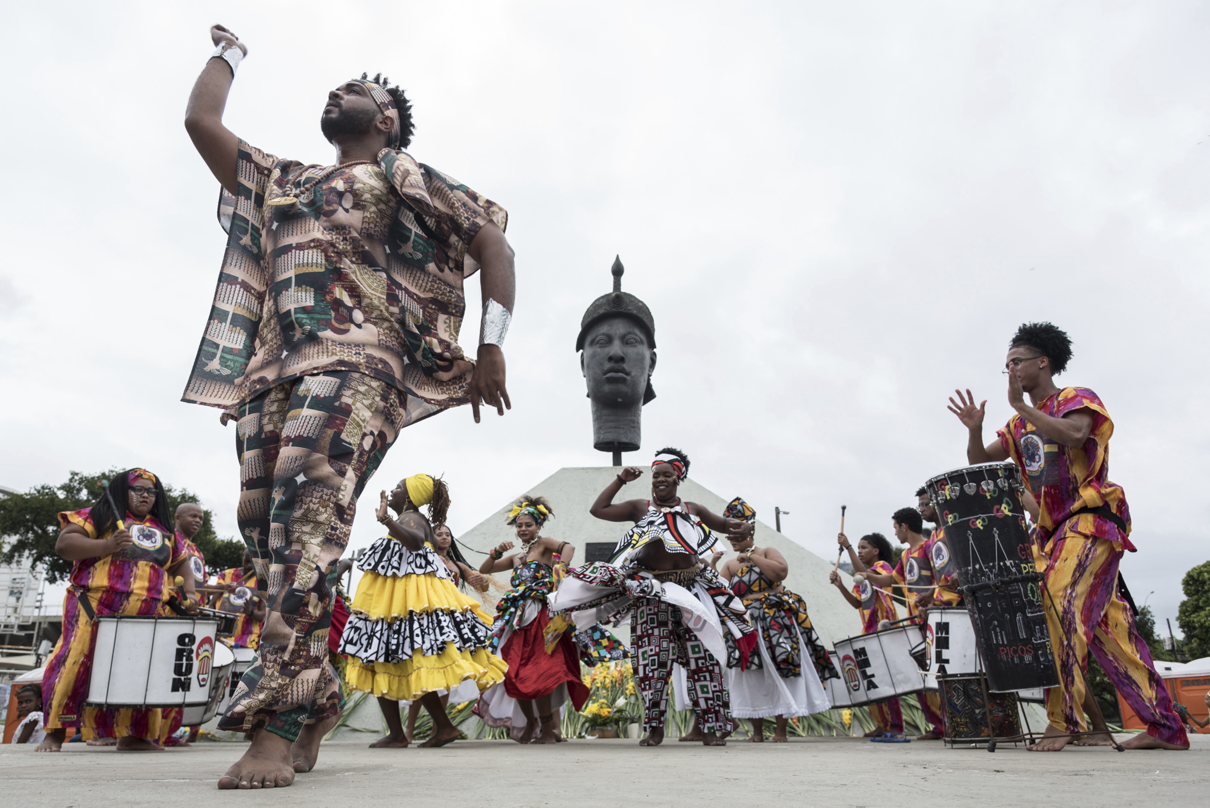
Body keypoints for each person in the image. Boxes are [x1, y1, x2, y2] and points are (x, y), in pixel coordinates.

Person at [182, 23, 516, 788]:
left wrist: (491, 346)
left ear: (387, 119)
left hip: (360, 366)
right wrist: (228, 54)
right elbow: (203, 125)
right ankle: (321, 690)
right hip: (270, 375)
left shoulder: (398, 170)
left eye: (356, 90)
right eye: (333, 89)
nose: (337, 93)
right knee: (266, 540)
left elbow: (494, 245)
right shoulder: (282, 178)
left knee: (307, 522)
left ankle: (277, 722)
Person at [948, 321, 1187, 752]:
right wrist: (974, 430)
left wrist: (1022, 407)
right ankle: (1165, 729)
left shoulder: (1076, 398)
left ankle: (1064, 721)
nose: (1010, 370)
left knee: (1057, 608)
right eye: (1005, 365)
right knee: (1113, 634)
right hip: (1057, 533)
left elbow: (1076, 434)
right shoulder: (1017, 427)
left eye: (1016, 362)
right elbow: (981, 464)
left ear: (1043, 362)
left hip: (1090, 522)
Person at [551, 448, 756, 747]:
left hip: (690, 590)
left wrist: (743, 527)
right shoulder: (640, 507)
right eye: (655, 475)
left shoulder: (693, 509)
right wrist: (621, 479)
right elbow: (599, 509)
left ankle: (711, 727)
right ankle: (655, 728)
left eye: (666, 475)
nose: (659, 479)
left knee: (704, 658)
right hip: (651, 592)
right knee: (652, 661)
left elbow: (725, 526)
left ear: (678, 478)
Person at [338, 475, 506, 750]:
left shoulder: (411, 519)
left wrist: (385, 520)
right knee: (385, 660)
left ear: (410, 497)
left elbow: (415, 542)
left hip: (408, 604)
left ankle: (432, 729)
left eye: (398, 488)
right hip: (393, 603)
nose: (392, 491)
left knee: (399, 659)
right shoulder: (408, 519)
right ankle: (411, 732)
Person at [38, 469, 198, 752]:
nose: (145, 495)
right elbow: (65, 545)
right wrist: (107, 545)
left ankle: (134, 735)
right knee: (76, 663)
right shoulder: (97, 515)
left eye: (151, 491)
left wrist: (190, 593)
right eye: (137, 489)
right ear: (121, 491)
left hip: (148, 613)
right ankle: (55, 732)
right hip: (95, 605)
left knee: (140, 672)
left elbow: (179, 563)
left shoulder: (162, 530)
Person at [714, 497, 833, 742]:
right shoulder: (729, 565)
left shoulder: (766, 552)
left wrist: (751, 557)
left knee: (781, 667)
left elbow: (780, 572)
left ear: (750, 531)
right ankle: (756, 732)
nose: (733, 540)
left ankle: (781, 730)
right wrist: (714, 565)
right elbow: (719, 592)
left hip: (775, 621)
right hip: (745, 624)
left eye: (738, 535)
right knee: (750, 674)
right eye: (730, 536)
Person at [475, 496, 589, 744]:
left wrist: (561, 566)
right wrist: (496, 552)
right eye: (519, 525)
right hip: (517, 618)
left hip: (541, 614)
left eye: (528, 524)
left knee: (541, 670)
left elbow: (568, 547)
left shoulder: (545, 546)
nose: (523, 529)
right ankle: (532, 723)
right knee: (513, 670)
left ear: (538, 526)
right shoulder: (516, 557)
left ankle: (548, 730)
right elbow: (485, 570)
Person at [403, 523, 488, 742]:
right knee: (423, 672)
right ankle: (409, 730)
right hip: (428, 620)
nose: (444, 537)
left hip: (452, 623)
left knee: (447, 675)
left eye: (447, 534)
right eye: (438, 533)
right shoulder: (424, 558)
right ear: (430, 537)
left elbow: (480, 585)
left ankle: (437, 730)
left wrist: (484, 581)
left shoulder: (458, 565)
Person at [828, 531, 906, 741]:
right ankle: (881, 724)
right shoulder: (863, 574)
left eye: (864, 548)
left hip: (883, 631)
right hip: (869, 633)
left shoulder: (882, 568)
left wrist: (848, 547)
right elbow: (857, 604)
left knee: (887, 680)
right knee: (875, 680)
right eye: (859, 548)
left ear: (876, 551)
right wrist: (840, 586)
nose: (860, 552)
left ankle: (896, 726)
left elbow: (866, 577)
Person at [213, 550, 268, 651]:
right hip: (220, 638)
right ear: (242, 557)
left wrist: (250, 612)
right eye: (247, 561)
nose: (249, 566)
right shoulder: (226, 575)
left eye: (253, 563)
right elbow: (212, 604)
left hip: (247, 642)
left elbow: (263, 615)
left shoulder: (263, 583)